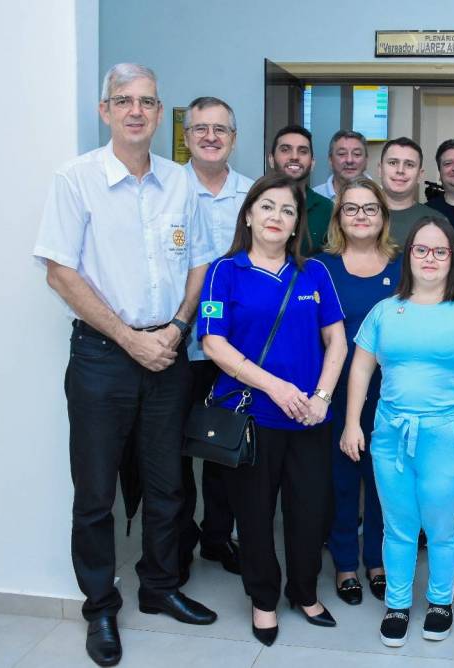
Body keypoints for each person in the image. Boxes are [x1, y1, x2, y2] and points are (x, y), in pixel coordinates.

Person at [34, 63, 218, 667]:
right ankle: (101, 608)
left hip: (169, 352)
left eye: (147, 102)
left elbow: (199, 262)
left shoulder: (179, 181)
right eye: (123, 101)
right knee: (95, 492)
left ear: (161, 113)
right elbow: (60, 271)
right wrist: (128, 338)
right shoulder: (76, 179)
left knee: (168, 485)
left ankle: (160, 587)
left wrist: (178, 327)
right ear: (105, 110)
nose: (136, 111)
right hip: (102, 356)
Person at [199, 173, 347, 647]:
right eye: (267, 206)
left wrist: (322, 398)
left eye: (287, 210)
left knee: (309, 512)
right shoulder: (225, 272)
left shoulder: (314, 273)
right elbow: (213, 344)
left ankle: (304, 592)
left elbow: (337, 341)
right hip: (252, 418)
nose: (276, 217)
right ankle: (263, 599)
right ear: (248, 215)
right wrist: (277, 389)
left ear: (297, 223)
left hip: (309, 419)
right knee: (255, 515)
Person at [341, 217, 454, 647]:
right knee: (398, 525)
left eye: (440, 251)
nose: (430, 258)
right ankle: (397, 605)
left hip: (448, 436)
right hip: (390, 434)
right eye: (421, 250)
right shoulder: (384, 311)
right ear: (408, 256)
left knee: (441, 526)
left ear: (452, 259)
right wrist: (352, 423)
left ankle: (439, 602)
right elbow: (360, 368)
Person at [177, 95, 253, 584]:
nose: (210, 137)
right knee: (175, 450)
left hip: (235, 350)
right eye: (200, 129)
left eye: (220, 129)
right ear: (186, 137)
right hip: (178, 345)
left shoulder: (252, 194)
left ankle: (218, 536)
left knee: (227, 448)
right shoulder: (167, 188)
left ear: (233, 138)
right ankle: (178, 541)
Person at [316, 177, 402, 606]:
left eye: (370, 208)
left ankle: (377, 561)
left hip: (392, 393)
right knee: (342, 480)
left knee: (384, 479)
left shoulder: (403, 266)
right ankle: (346, 562)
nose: (361, 216)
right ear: (339, 217)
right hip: (336, 391)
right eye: (351, 208)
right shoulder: (320, 267)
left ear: (383, 216)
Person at [268, 125, 334, 253]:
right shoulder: (257, 203)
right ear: (271, 159)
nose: (294, 157)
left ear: (312, 163)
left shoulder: (326, 209)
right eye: (285, 150)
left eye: (303, 151)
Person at [379, 136, 448, 246]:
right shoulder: (359, 216)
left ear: (420, 175)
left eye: (409, 165)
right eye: (393, 163)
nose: (400, 170)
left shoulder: (437, 221)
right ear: (380, 169)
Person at [314, 129, 370, 200]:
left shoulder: (380, 195)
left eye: (357, 154)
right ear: (330, 160)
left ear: (366, 160)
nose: (349, 160)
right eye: (342, 154)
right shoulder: (315, 196)